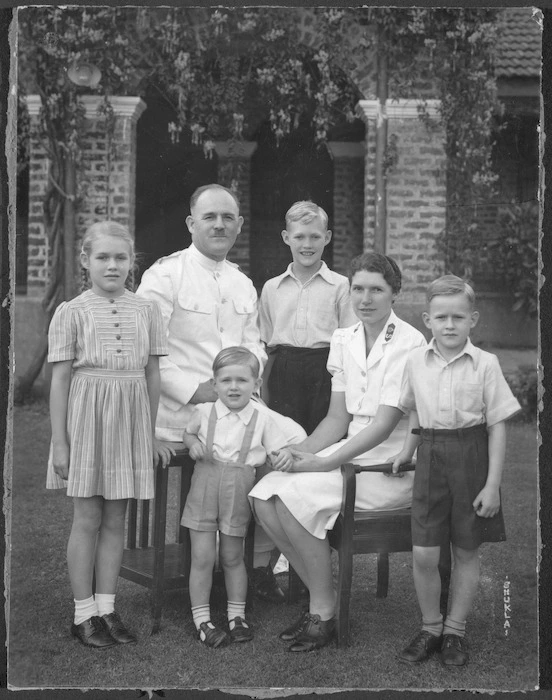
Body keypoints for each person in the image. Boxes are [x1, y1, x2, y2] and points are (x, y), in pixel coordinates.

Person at [136, 184, 305, 603]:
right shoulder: (165, 274)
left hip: (237, 403)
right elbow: (148, 346)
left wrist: (242, 386)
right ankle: (210, 566)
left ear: (239, 226)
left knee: (291, 447)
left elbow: (255, 347)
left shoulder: (242, 283)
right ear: (192, 223)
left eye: (228, 217)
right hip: (183, 414)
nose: (219, 224)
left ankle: (259, 563)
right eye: (210, 217)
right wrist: (195, 391)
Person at [249, 252, 427, 652]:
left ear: (394, 293)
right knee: (264, 494)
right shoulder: (344, 339)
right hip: (349, 453)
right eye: (359, 289)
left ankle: (323, 612)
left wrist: (325, 461)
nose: (365, 299)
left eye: (376, 290)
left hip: (386, 465)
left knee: (294, 498)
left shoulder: (410, 342)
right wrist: (299, 451)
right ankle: (324, 601)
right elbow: (335, 418)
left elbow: (382, 425)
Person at [47, 221, 171, 649]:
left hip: (130, 419)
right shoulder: (72, 311)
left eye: (121, 258)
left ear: (131, 262)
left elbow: (152, 374)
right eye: (103, 257)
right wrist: (60, 442)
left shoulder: (146, 310)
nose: (112, 265)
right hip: (87, 419)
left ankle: (106, 606)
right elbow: (61, 380)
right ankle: (82, 612)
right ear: (86, 261)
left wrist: (148, 433)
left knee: (116, 518)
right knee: (88, 518)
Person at [393, 275, 520, 667]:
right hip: (431, 456)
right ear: (427, 319)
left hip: (471, 457)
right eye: (442, 317)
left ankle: (454, 631)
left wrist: (493, 485)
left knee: (466, 549)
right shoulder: (414, 360)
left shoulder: (486, 364)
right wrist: (407, 449)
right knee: (424, 552)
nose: (450, 325)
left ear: (473, 319)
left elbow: (497, 424)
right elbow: (414, 408)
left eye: (459, 317)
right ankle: (431, 627)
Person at [181, 347, 299, 647]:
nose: (234, 387)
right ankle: (202, 619)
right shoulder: (204, 411)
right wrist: (193, 443)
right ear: (215, 383)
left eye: (242, 380)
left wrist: (284, 455)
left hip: (237, 491)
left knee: (233, 557)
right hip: (205, 488)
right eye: (226, 380)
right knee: (202, 557)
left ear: (256, 385)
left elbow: (278, 448)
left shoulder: (261, 418)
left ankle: (236, 616)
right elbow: (189, 434)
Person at [259, 201, 356, 434]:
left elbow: (349, 342)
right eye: (299, 237)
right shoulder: (272, 288)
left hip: (326, 371)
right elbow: (266, 345)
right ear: (286, 237)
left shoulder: (341, 286)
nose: (307, 245)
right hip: (283, 373)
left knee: (322, 439)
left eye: (315, 237)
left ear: (327, 237)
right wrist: (262, 391)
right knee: (283, 439)